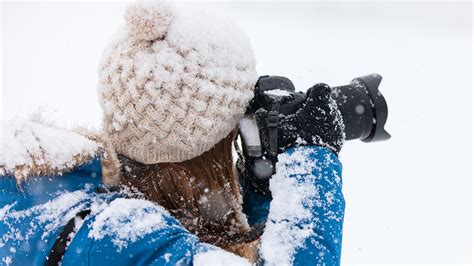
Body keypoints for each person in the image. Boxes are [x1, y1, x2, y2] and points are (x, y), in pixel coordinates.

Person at [0, 1, 345, 265]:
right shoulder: (125, 237)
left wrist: (257, 188)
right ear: (208, 150)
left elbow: (198, 235)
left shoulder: (55, 199)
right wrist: (310, 159)